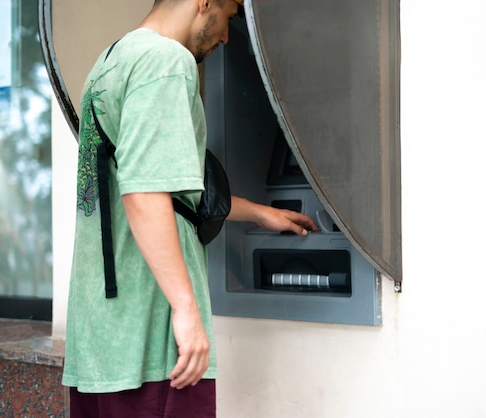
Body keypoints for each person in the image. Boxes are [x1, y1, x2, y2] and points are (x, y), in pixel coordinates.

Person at [62, 0, 318, 417]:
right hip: (152, 335)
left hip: (103, 340)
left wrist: (258, 211)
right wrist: (186, 311)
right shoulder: (166, 60)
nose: (227, 37)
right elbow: (144, 195)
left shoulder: (111, 61)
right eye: (231, 13)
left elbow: (144, 181)